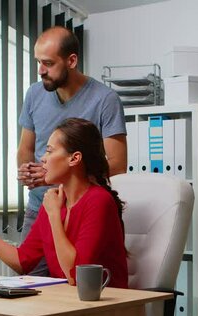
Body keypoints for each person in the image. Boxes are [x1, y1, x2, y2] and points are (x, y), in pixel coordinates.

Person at [0, 119, 128, 288]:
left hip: (106, 307)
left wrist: (54, 215)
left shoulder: (98, 201)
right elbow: (22, 261)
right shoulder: (54, 201)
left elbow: (75, 276)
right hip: (67, 302)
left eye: (50, 151)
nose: (43, 159)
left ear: (74, 158)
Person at [18, 26, 127, 274]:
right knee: (29, 290)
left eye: (48, 63)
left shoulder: (104, 100)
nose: (40, 70)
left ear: (72, 61)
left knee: (73, 283)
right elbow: (25, 149)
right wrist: (26, 172)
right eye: (38, 62)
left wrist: (68, 175)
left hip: (80, 211)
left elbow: (118, 164)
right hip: (39, 209)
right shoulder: (34, 94)